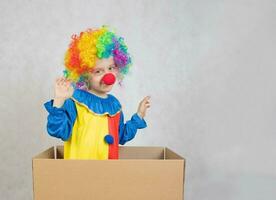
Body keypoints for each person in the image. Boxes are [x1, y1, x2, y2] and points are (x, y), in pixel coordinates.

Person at [44, 26, 150, 160]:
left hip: (108, 173)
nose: (108, 76)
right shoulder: (75, 101)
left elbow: (121, 136)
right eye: (98, 71)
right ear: (84, 74)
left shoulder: (114, 105)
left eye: (111, 68)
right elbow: (58, 130)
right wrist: (59, 100)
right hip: (80, 173)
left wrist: (139, 115)